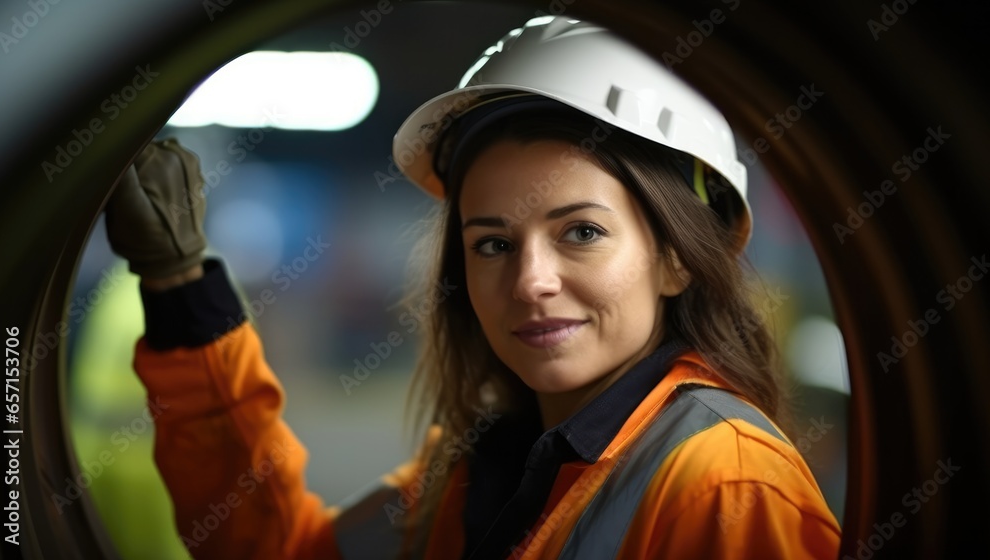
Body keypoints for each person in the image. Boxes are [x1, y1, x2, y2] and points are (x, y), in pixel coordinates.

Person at [105, 15, 841, 559]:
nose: (530, 282)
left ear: (676, 258)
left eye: (581, 232)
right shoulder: (476, 472)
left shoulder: (730, 488)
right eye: (492, 243)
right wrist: (178, 284)